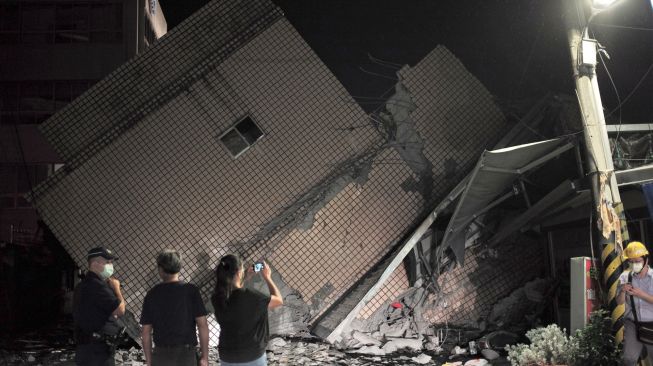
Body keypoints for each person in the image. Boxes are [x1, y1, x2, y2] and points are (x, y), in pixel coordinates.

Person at [140, 249, 209, 366]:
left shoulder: (152, 294)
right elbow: (202, 325)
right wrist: (204, 357)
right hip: (186, 354)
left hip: (161, 354)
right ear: (179, 268)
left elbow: (145, 332)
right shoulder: (190, 290)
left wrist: (149, 360)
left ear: (160, 269)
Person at [211, 254, 283, 365]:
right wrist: (268, 277)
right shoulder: (254, 298)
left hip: (227, 356)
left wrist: (246, 277)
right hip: (252, 356)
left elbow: (235, 293)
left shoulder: (217, 298)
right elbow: (278, 300)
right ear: (239, 273)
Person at [73, 247, 126, 366]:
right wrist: (117, 289)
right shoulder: (97, 286)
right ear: (95, 263)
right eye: (108, 262)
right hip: (97, 352)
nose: (111, 265)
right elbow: (120, 310)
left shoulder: (83, 285)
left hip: (87, 348)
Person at [618, 241, 653, 365]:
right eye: (631, 262)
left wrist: (641, 294)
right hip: (633, 324)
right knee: (629, 359)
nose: (634, 264)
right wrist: (622, 291)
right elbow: (619, 302)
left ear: (646, 260)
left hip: (652, 324)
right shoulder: (624, 277)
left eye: (637, 261)